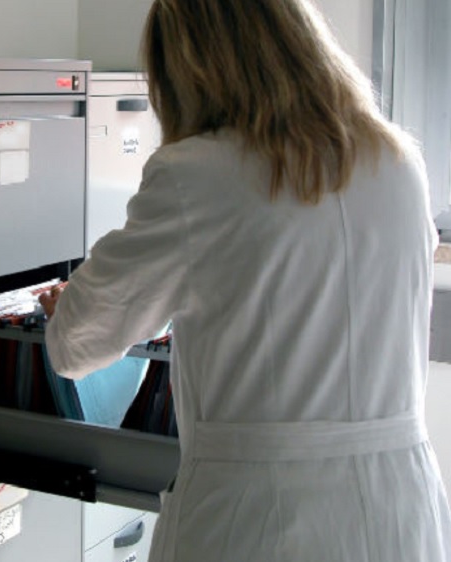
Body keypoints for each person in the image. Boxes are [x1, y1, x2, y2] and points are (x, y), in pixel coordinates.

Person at [38, 0, 450, 560]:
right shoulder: (400, 164)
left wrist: (65, 307)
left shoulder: (196, 175)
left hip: (258, 515)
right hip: (399, 510)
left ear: (192, 70)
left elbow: (76, 344)